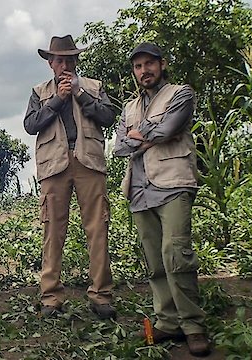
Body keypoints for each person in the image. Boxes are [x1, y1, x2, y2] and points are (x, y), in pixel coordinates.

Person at [113, 42, 211, 356]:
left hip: (173, 182)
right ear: (134, 72)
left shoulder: (181, 94)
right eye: (138, 66)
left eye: (150, 64)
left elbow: (170, 128)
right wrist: (145, 133)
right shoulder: (128, 107)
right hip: (139, 189)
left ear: (162, 64)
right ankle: (168, 322)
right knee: (154, 260)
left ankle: (193, 326)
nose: (145, 71)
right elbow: (119, 147)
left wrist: (141, 134)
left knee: (176, 253)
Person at [24, 35, 116, 319]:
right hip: (54, 166)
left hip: (89, 162)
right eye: (58, 60)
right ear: (50, 63)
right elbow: (30, 125)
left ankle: (101, 296)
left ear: (76, 61)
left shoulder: (93, 87)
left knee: (97, 229)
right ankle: (51, 297)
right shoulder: (39, 92)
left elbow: (108, 116)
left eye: (69, 59)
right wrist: (57, 100)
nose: (64, 65)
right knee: (52, 232)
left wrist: (78, 94)